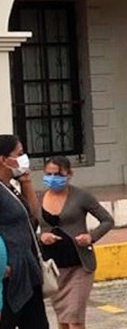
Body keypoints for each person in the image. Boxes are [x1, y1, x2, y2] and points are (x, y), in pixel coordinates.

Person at [38, 156, 115, 329]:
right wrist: (42, 237)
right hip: (54, 269)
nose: (52, 178)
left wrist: (91, 237)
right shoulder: (38, 198)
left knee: (75, 317)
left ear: (69, 174)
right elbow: (30, 228)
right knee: (63, 318)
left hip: (79, 265)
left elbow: (107, 220)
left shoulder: (81, 196)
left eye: (57, 174)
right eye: (48, 174)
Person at [0, 135, 48, 329]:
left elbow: (34, 216)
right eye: (18, 154)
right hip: (11, 273)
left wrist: (26, 182)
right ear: (3, 159)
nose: (23, 159)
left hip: (28, 268)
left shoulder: (11, 187)